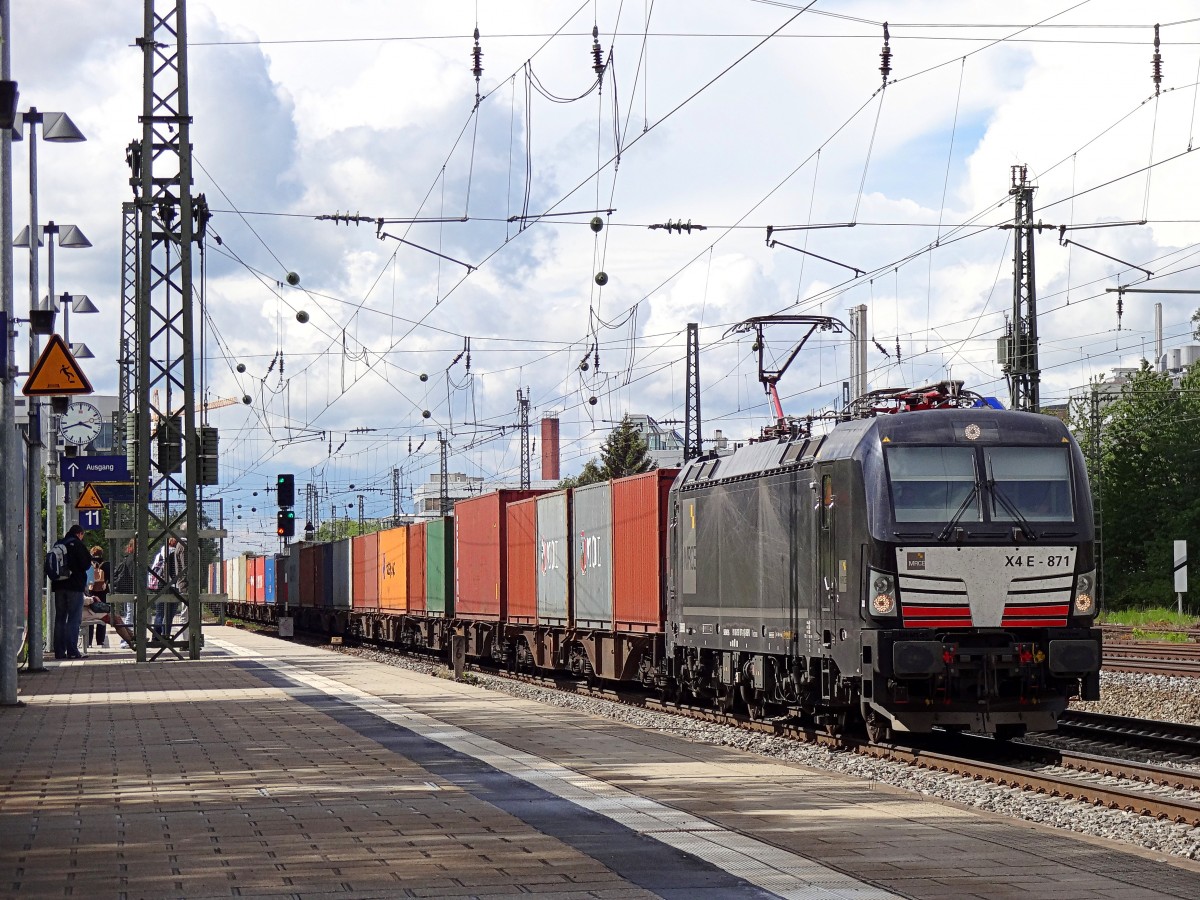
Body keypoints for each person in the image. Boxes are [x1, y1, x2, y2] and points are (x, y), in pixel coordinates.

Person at [50, 524, 94, 660]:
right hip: (74, 586)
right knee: (74, 618)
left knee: (60, 618)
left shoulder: (59, 543)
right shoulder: (77, 544)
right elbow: (86, 563)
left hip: (59, 585)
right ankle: (72, 651)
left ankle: (59, 651)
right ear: (80, 534)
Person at [151, 536, 186, 639]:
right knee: (170, 613)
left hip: (159, 585)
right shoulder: (174, 553)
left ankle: (156, 637)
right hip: (172, 585)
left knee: (159, 613)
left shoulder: (159, 554)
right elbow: (175, 570)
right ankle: (166, 635)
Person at [86, 546, 111, 647]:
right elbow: (109, 578)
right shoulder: (106, 565)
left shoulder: (88, 564)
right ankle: (100, 641)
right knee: (102, 616)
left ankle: (88, 641)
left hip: (91, 593)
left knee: (90, 616)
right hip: (103, 594)